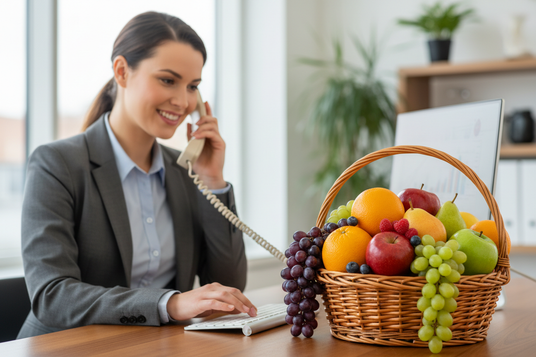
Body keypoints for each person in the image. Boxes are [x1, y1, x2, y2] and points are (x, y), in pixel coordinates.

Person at [18, 11, 254, 339]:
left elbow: (227, 283)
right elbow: (52, 296)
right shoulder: (57, 164)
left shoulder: (187, 172)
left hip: (157, 346)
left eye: (193, 86)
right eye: (168, 80)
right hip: (67, 346)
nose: (183, 101)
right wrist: (168, 304)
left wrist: (212, 180)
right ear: (122, 71)